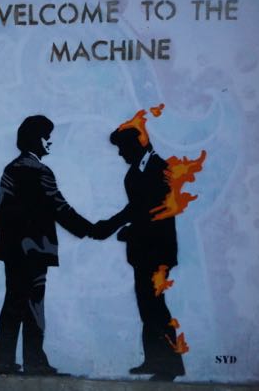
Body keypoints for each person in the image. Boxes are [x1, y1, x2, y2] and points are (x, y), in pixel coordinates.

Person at [0, 115, 92, 375]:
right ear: (36, 139)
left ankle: (2, 360)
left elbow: (2, 211)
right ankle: (35, 362)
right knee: (34, 305)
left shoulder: (11, 169)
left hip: (13, 251)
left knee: (13, 304)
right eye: (47, 137)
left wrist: (8, 243)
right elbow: (60, 207)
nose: (50, 142)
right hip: (35, 250)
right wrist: (89, 229)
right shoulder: (40, 171)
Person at [91, 126, 185, 382]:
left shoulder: (159, 169)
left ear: (136, 145)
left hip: (157, 250)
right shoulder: (137, 171)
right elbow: (136, 208)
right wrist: (114, 227)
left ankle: (169, 365)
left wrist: (121, 229)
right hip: (144, 251)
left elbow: (153, 210)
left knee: (155, 305)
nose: (120, 153)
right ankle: (155, 360)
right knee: (147, 305)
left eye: (122, 148)